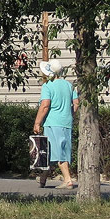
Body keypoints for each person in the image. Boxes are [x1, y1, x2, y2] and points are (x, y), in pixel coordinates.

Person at [33, 59, 80, 189]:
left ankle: (67, 180)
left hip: (53, 122)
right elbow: (76, 103)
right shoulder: (69, 85)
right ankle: (43, 179)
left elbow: (45, 105)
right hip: (66, 122)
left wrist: (37, 122)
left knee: (56, 151)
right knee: (56, 150)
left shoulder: (48, 86)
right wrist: (69, 114)